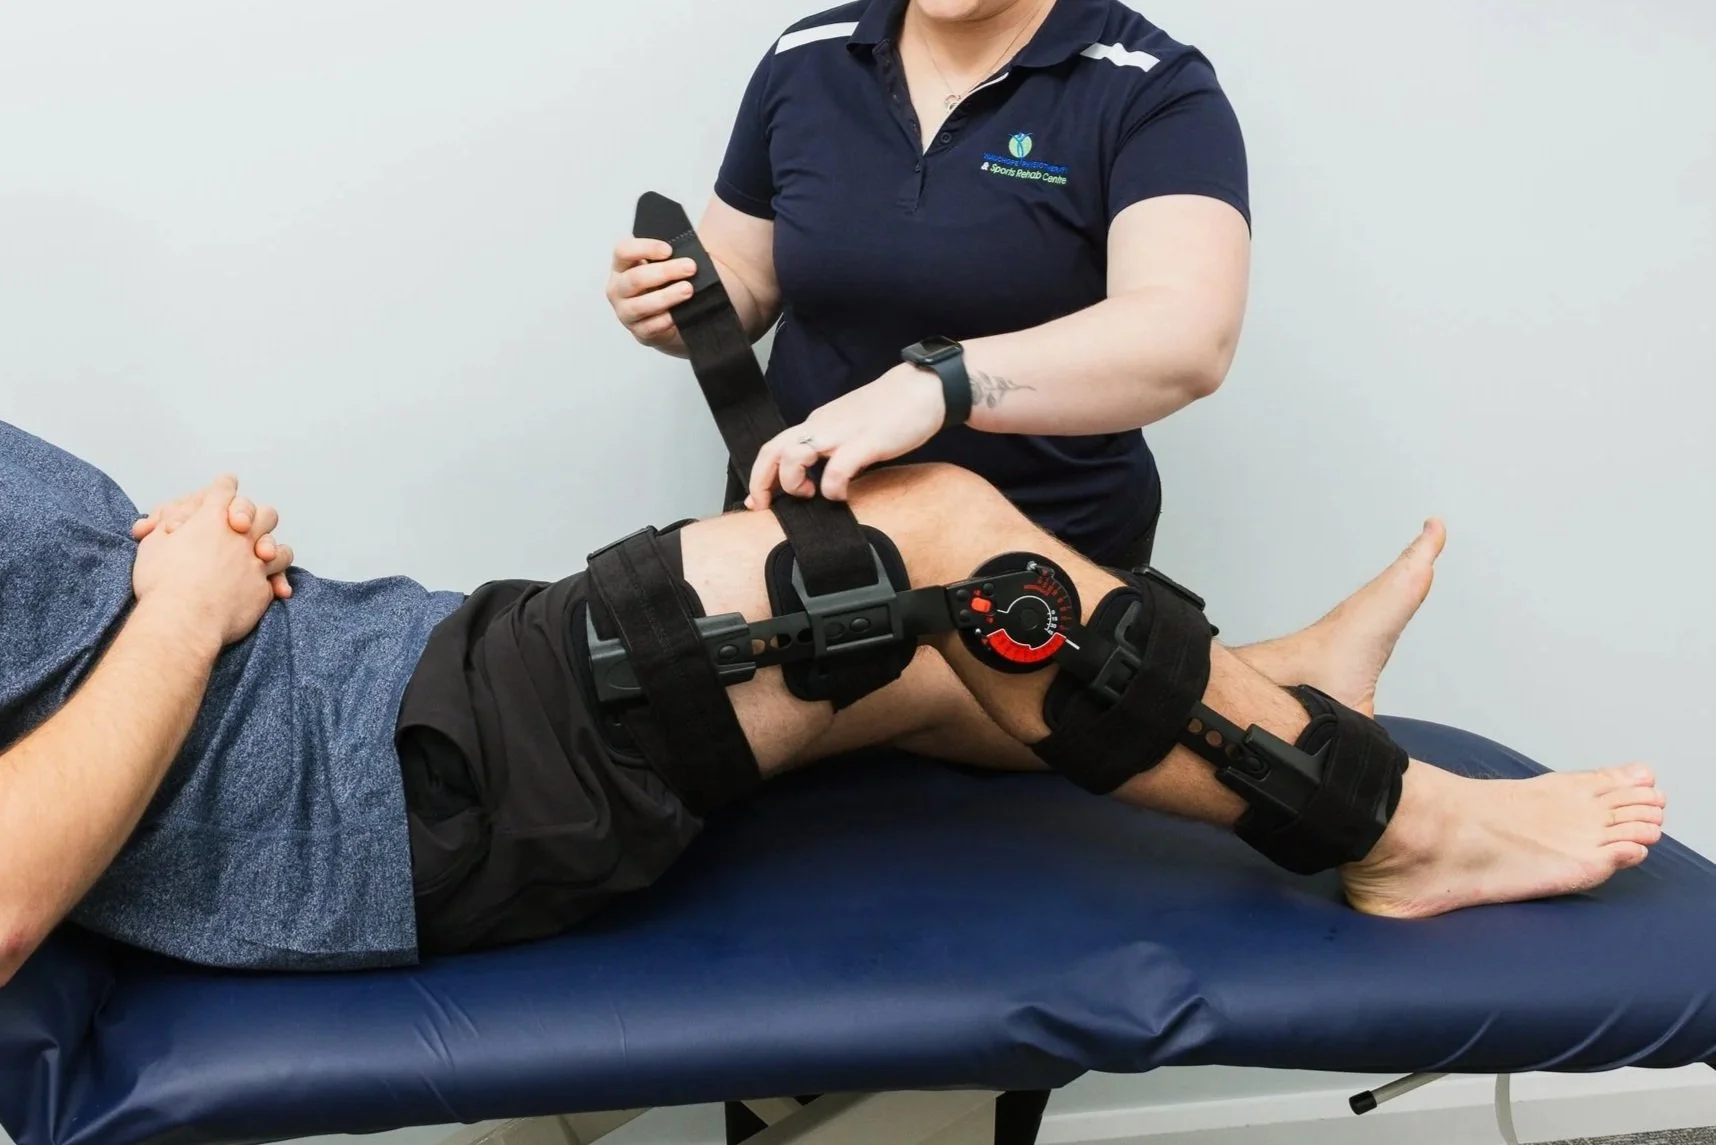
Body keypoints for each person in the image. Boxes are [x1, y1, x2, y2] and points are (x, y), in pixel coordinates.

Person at [0, 418, 1669, 988]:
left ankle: (1282, 689)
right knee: (919, 556)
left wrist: (168, 571)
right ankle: (1404, 830)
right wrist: (184, 615)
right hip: (392, 796)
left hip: (381, 689)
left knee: (938, 627)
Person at [605, 0, 1251, 569]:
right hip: (803, 542)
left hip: (1038, 566)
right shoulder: (805, 59)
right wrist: (684, 306)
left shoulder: (1152, 88)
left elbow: (1186, 335)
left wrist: (938, 385)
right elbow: (745, 274)